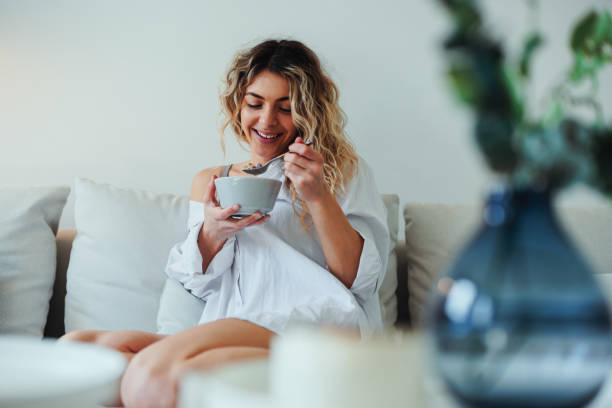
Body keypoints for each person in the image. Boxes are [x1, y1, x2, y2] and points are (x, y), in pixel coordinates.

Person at [61, 39, 390, 408]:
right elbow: (195, 284)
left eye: (285, 108)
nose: (267, 121)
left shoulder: (339, 172)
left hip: (316, 327)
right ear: (238, 104)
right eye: (255, 103)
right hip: (236, 325)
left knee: (151, 378)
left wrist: (316, 195)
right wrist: (212, 233)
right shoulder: (212, 182)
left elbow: (360, 281)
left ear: (307, 112)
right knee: (76, 350)